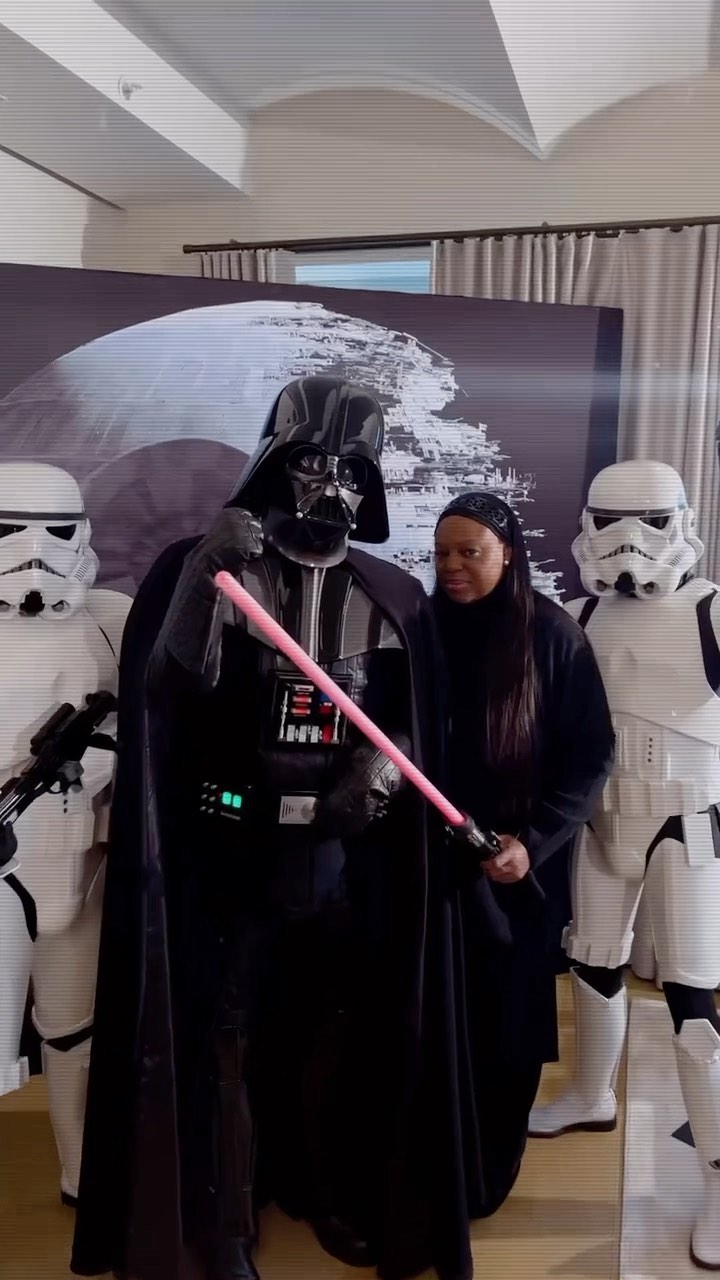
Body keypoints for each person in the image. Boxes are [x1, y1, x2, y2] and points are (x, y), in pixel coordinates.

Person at [71, 377, 494, 1280]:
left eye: (351, 468)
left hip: (342, 855)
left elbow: (419, 721)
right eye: (310, 461)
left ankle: (323, 1187)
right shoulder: (215, 567)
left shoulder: (391, 593)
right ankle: (225, 1219)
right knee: (229, 1033)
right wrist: (202, 578)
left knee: (334, 1027)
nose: (330, 484)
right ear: (273, 462)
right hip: (233, 848)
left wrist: (382, 771)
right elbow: (167, 693)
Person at [527, 459, 720, 1271]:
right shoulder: (578, 614)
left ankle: (718, 1181)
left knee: (695, 1006)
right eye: (609, 522)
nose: (628, 542)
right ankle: (589, 1093)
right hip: (602, 819)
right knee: (590, 962)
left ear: (682, 522)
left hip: (687, 823)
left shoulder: (710, 611)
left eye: (649, 522)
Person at [432, 491, 615, 1214]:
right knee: (442, 1014)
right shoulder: (421, 627)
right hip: (434, 867)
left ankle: (487, 1172)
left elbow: (590, 756)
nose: (452, 566)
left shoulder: (553, 636)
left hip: (514, 871)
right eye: (442, 553)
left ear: (507, 554)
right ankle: (438, 1156)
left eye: (469, 552)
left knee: (505, 1025)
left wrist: (531, 845)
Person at [0, 462, 129, 1205]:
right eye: (11, 531)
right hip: (9, 859)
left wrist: (102, 756)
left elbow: (154, 716)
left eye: (55, 531)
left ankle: (83, 1172)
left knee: (75, 1025)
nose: (35, 552)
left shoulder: (108, 620)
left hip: (77, 856)